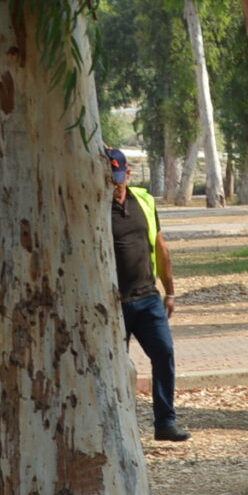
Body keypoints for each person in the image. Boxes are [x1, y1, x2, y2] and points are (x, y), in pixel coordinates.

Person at [106, 147, 189, 443]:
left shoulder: (144, 200)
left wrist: (170, 292)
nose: (115, 185)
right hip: (112, 305)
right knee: (114, 366)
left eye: (119, 178)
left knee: (164, 353)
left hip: (148, 298)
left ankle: (165, 422)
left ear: (128, 173)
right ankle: (115, 427)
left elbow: (160, 246)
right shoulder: (94, 207)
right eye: (110, 179)